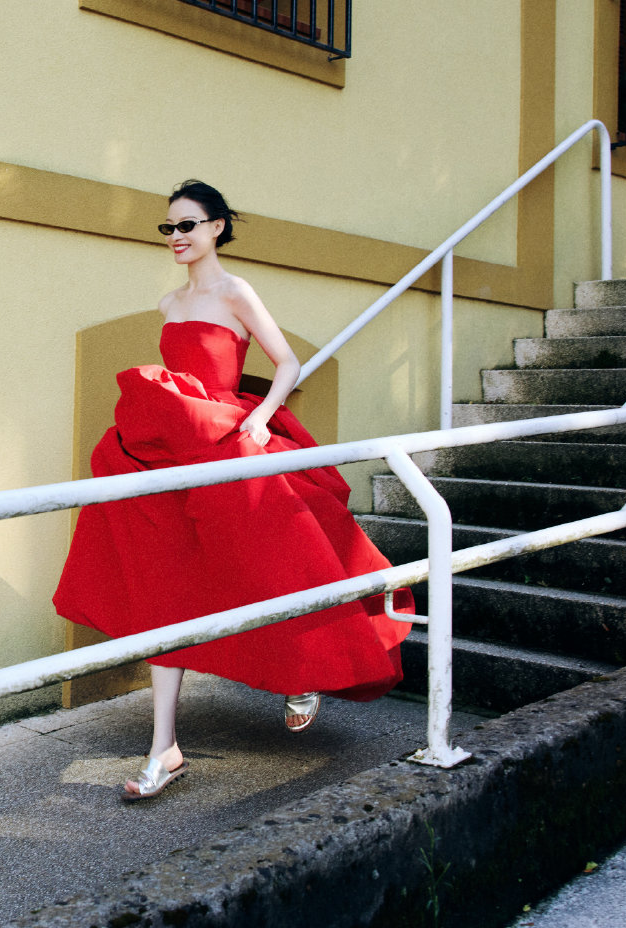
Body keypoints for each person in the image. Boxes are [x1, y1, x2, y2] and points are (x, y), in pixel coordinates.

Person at [53, 180, 412, 802]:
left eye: (187, 225)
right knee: (166, 589)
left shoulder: (236, 291)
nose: (176, 237)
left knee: (274, 559)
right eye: (168, 228)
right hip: (177, 447)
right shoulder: (169, 302)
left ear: (217, 227)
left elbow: (287, 362)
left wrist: (263, 416)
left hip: (228, 437)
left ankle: (305, 669)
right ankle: (164, 749)